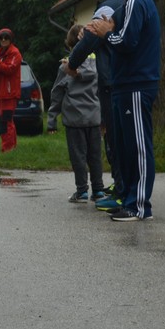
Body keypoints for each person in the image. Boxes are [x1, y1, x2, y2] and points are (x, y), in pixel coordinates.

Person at [77, 0, 160, 222]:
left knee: (138, 147)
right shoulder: (127, 2)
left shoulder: (138, 0)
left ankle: (139, 206)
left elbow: (126, 42)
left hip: (137, 83)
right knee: (125, 148)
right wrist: (107, 30)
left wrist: (105, 33)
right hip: (125, 84)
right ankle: (129, 198)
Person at [66, 0, 127, 209]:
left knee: (115, 138)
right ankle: (121, 185)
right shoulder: (120, 2)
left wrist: (72, 62)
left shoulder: (108, 6)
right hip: (116, 78)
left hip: (111, 80)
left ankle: (123, 189)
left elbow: (90, 39)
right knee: (116, 136)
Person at [48, 23, 105, 202]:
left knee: (78, 156)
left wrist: (51, 120)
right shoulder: (98, 64)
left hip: (74, 119)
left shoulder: (65, 67)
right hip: (95, 117)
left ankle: (81, 191)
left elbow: (57, 93)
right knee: (95, 155)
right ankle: (98, 191)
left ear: (70, 43)